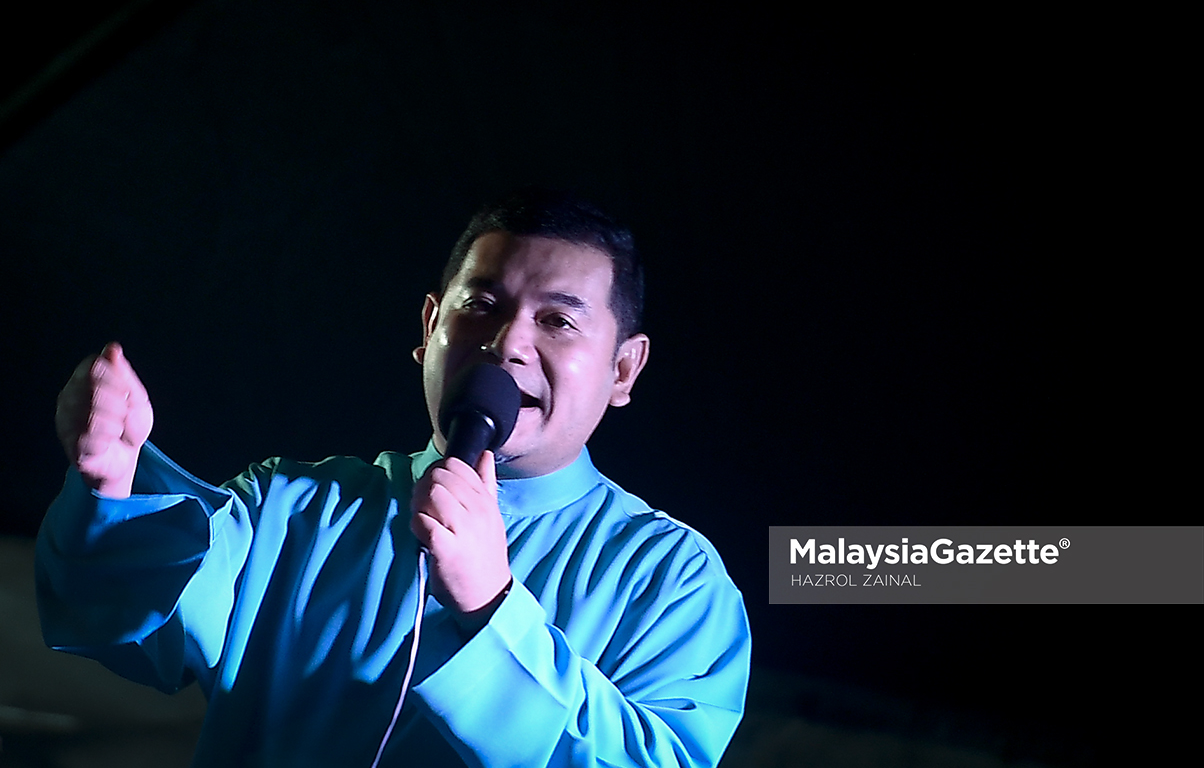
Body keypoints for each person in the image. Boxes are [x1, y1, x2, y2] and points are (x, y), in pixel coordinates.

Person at [37, 188, 751, 767]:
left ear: (623, 369)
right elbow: (130, 624)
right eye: (481, 306)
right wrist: (114, 482)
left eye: (558, 321)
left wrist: (492, 607)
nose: (508, 344)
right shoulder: (293, 509)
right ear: (430, 326)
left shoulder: (675, 579)